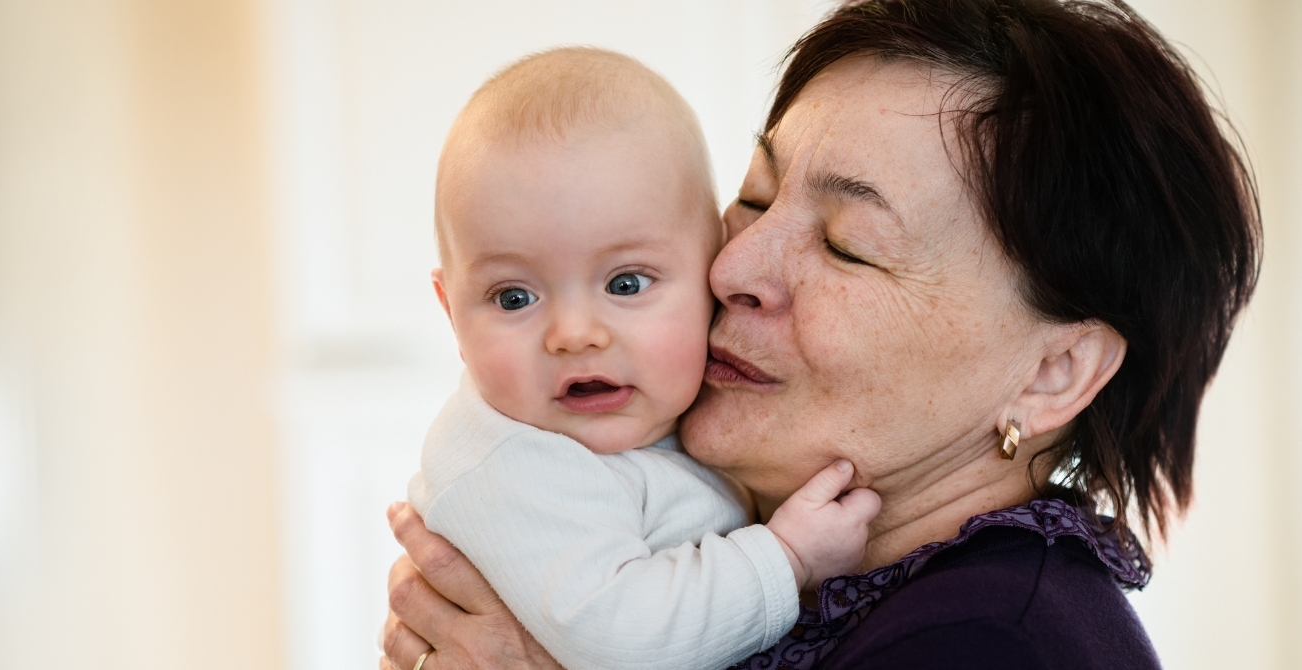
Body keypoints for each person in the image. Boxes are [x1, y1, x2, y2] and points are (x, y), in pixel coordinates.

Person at [381, 0, 1261, 668]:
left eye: (846, 247)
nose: (731, 268)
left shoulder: (992, 640)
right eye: (756, 197)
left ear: (1053, 370)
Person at [414, 46, 880, 670]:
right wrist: (786, 557)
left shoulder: (678, 413)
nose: (574, 335)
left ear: (711, 263)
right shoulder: (515, 464)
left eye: (626, 284)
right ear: (451, 313)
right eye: (513, 296)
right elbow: (625, 639)